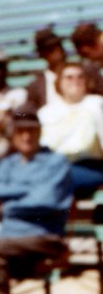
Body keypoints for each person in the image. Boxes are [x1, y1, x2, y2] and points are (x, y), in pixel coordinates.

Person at [0, 107, 72, 294]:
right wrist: (27, 189)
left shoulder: (56, 162)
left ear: (40, 132)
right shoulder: (8, 163)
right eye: (20, 131)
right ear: (12, 135)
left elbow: (44, 201)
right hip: (9, 239)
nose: (26, 137)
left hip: (43, 237)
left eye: (31, 131)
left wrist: (6, 206)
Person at [38, 60, 103, 198]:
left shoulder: (97, 104)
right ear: (59, 83)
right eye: (69, 77)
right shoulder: (46, 112)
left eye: (80, 77)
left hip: (88, 166)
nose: (76, 81)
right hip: (53, 166)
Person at [25, 27, 67, 110]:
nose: (58, 52)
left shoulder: (81, 75)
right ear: (42, 54)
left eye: (59, 46)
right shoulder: (36, 86)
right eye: (51, 49)